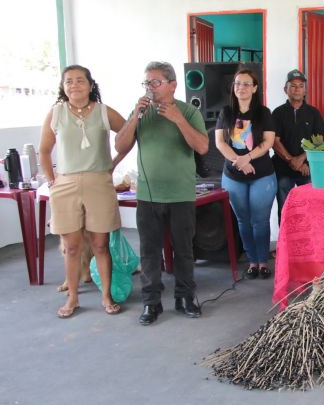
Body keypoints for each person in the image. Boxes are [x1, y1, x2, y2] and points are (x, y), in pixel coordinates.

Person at [115, 61, 209, 325]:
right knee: (149, 252)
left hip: (180, 194)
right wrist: (135, 116)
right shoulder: (141, 113)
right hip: (148, 195)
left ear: (172, 85)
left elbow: (202, 147)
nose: (150, 88)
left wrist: (178, 119)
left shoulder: (189, 112)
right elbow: (120, 145)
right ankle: (151, 302)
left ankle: (185, 298)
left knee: (184, 250)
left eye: (155, 82)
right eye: (147, 83)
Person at [39, 65, 128, 318]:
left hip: (98, 182)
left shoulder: (103, 111)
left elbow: (128, 135)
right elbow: (44, 150)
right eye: (69, 81)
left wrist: (113, 164)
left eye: (80, 80)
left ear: (90, 85)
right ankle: (73, 297)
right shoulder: (56, 113)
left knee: (100, 245)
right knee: (71, 247)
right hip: (66, 184)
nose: (74, 85)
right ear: (63, 87)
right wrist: (52, 180)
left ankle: (106, 295)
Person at [215, 68, 277, 279]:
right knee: (243, 220)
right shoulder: (226, 112)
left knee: (260, 220)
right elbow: (220, 142)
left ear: (255, 88)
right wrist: (239, 162)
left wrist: (247, 158)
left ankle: (263, 261)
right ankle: (252, 261)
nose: (241, 87)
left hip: (262, 175)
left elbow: (268, 142)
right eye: (237, 83)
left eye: (246, 84)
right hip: (233, 176)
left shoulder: (264, 113)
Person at [271, 70, 324, 221]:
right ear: (285, 89)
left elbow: (320, 141)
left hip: (308, 168)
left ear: (305, 90)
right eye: (293, 86)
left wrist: (301, 160)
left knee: (311, 208)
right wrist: (291, 160)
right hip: (283, 169)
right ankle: (285, 236)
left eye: (301, 86)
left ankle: (308, 236)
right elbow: (274, 141)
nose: (297, 89)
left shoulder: (313, 113)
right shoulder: (278, 113)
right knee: (285, 209)